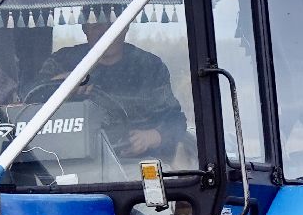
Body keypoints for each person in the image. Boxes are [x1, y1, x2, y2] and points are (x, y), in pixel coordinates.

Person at [28, 14, 190, 163]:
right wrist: (61, 85)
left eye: (112, 24)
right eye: (96, 25)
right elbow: (29, 101)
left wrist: (152, 137)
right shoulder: (62, 62)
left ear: (125, 27)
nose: (104, 32)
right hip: (67, 165)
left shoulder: (149, 67)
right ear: (85, 29)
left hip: (135, 164)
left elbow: (175, 120)